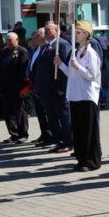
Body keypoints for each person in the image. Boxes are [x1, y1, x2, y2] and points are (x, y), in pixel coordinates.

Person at [56, 19, 101, 171]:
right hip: (75, 95)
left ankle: (91, 161)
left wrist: (78, 66)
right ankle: (81, 159)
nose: (76, 34)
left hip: (87, 96)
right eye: (75, 32)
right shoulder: (76, 51)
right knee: (79, 129)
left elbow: (92, 75)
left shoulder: (91, 53)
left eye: (79, 32)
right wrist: (61, 64)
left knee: (88, 130)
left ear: (87, 35)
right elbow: (71, 73)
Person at [37, 22, 72, 154]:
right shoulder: (47, 46)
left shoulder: (62, 45)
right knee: (52, 117)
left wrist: (62, 87)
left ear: (57, 30)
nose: (45, 32)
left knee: (63, 116)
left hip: (58, 89)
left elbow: (64, 68)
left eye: (48, 30)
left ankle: (68, 142)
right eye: (44, 30)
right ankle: (59, 141)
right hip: (47, 89)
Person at [0, 32, 30, 144]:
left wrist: (24, 87)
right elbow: (0, 69)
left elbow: (24, 70)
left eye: (10, 40)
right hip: (6, 87)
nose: (8, 42)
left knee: (20, 111)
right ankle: (13, 134)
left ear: (17, 40)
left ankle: (23, 134)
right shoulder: (4, 52)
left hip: (18, 87)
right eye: (7, 40)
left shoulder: (22, 51)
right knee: (8, 112)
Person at [27, 29, 53, 146]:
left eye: (37, 36)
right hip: (35, 86)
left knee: (46, 112)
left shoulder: (47, 49)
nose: (34, 38)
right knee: (40, 113)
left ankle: (49, 136)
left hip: (43, 87)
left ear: (43, 37)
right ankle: (44, 134)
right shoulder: (36, 50)